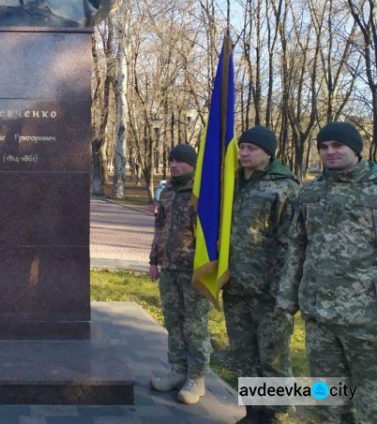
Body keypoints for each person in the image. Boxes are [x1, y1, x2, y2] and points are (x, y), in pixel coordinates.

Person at [278, 122, 377, 424]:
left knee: (369, 402)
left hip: (366, 320)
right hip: (319, 315)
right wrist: (287, 298)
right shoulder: (311, 192)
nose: (330, 152)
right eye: (324, 147)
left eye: (338, 145)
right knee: (329, 398)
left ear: (356, 149)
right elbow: (296, 247)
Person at [224, 126, 299, 424]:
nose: (243, 153)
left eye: (251, 149)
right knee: (244, 353)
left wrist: (281, 289)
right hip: (236, 286)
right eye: (242, 148)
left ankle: (271, 416)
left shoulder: (285, 187)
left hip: (269, 293)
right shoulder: (232, 184)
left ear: (268, 152)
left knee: (272, 357)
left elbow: (290, 243)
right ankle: (252, 412)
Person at [148, 144, 211, 405]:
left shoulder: (202, 192)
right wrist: (154, 261)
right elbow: (159, 227)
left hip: (194, 271)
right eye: (171, 160)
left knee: (194, 326)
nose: (174, 165)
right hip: (170, 268)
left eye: (180, 161)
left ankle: (197, 378)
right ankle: (177, 370)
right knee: (173, 323)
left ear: (193, 164)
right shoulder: (168, 191)